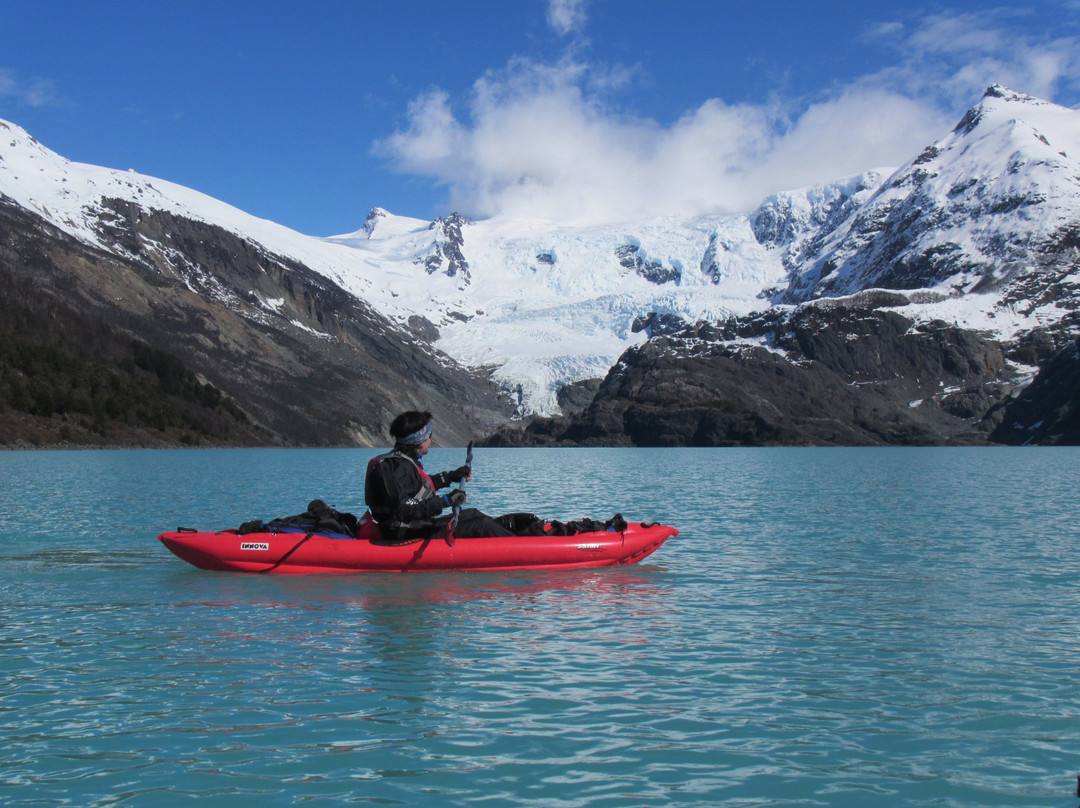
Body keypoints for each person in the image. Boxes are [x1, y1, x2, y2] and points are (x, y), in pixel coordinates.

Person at [364, 410, 513, 542]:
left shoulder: (401, 462)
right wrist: (446, 501)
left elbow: (419, 489)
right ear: (419, 440)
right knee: (481, 525)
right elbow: (403, 509)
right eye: (429, 436)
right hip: (406, 533)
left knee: (473, 514)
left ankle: (514, 537)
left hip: (412, 527)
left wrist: (451, 476)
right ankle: (519, 550)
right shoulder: (397, 468)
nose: (431, 440)